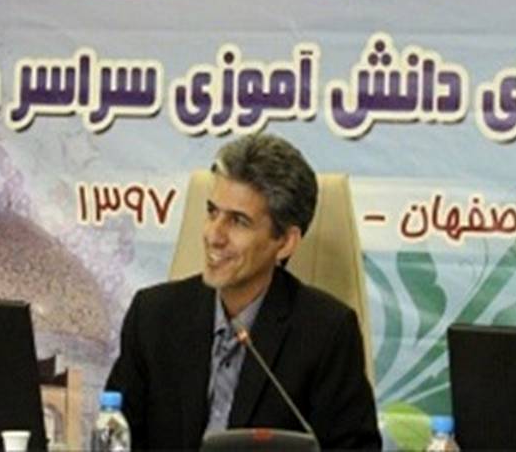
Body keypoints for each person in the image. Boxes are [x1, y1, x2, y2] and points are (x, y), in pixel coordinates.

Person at [106, 133, 381, 450]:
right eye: (212, 212)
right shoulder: (154, 317)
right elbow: (115, 440)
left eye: (238, 221)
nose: (214, 235)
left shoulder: (325, 333)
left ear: (285, 242)